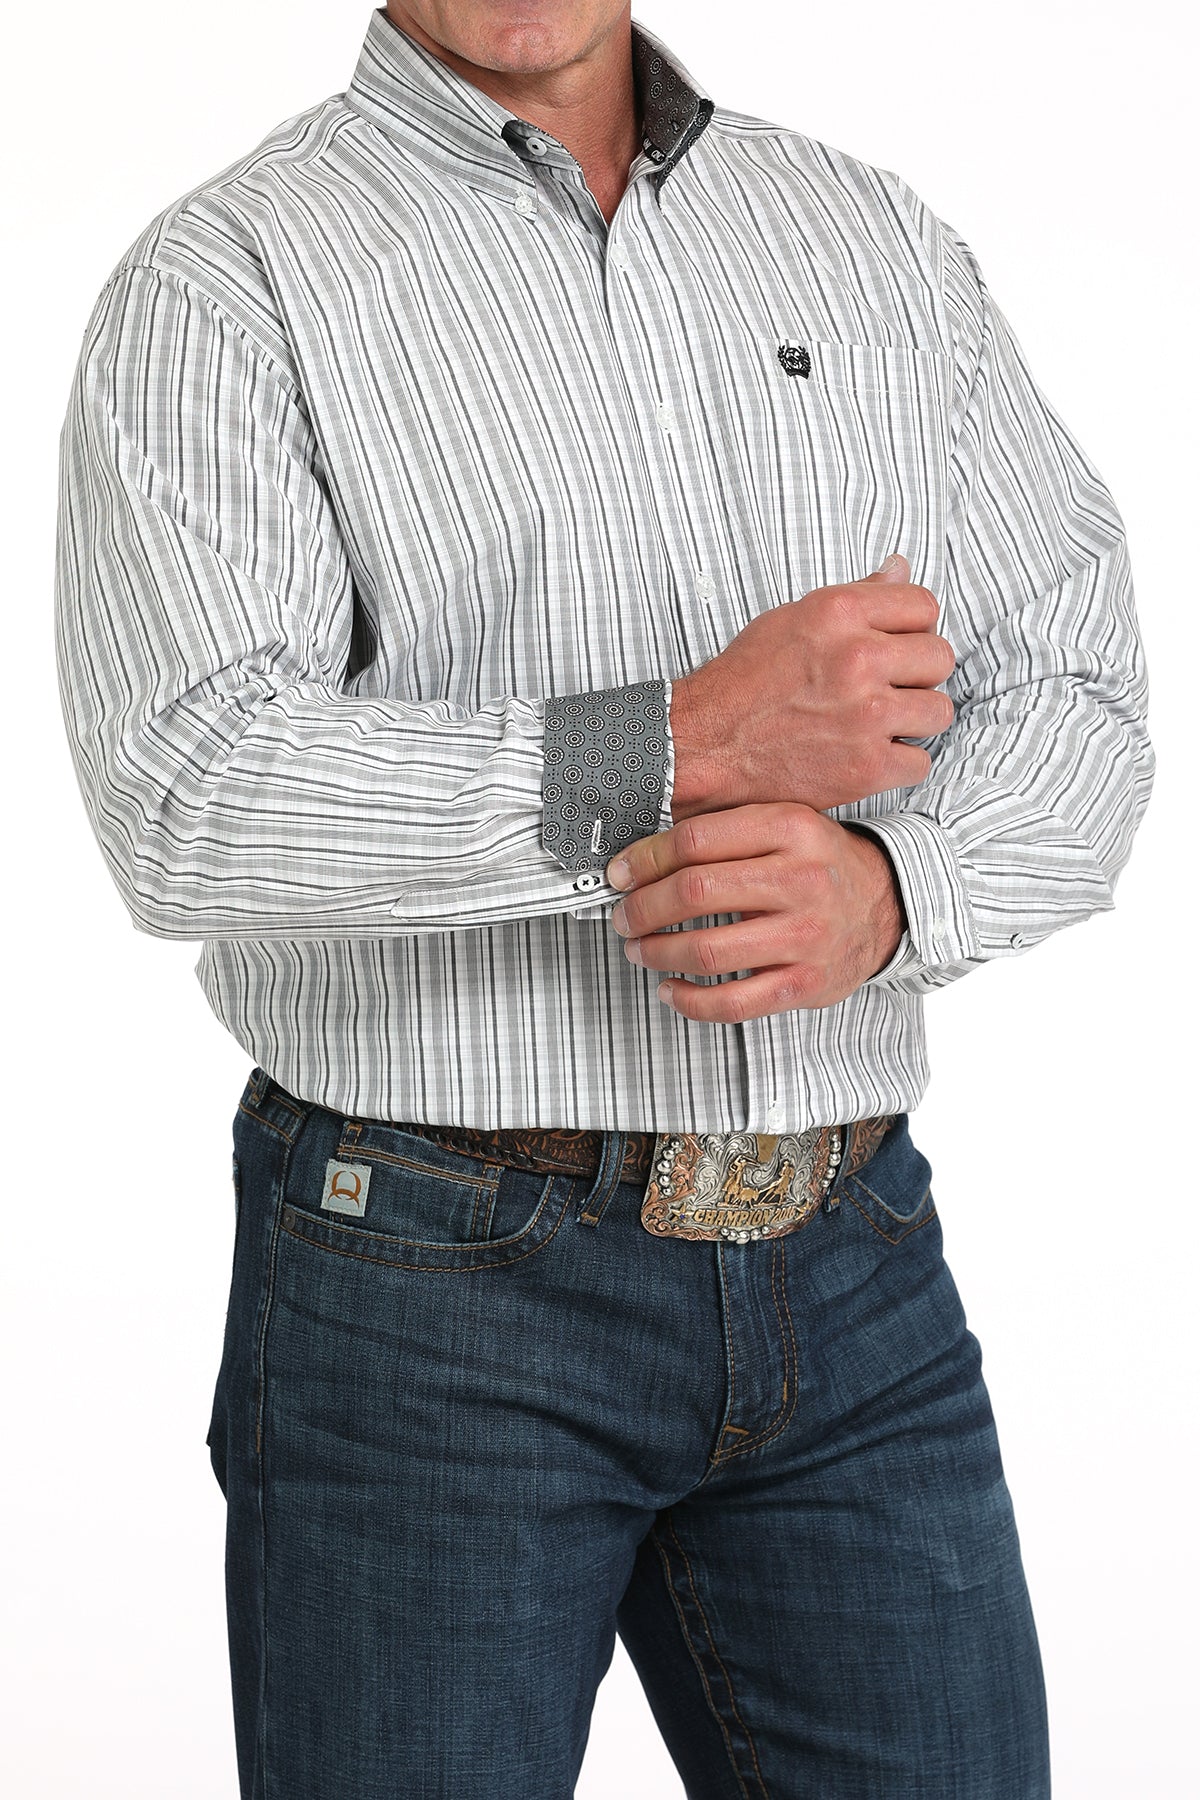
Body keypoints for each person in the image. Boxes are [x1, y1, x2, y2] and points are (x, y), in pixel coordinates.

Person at [53, 3, 1154, 1794]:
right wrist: (674, 744)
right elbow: (190, 798)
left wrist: (892, 890)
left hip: (854, 1268)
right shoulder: (228, 278)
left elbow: (1081, 696)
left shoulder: (867, 239)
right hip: (428, 1292)